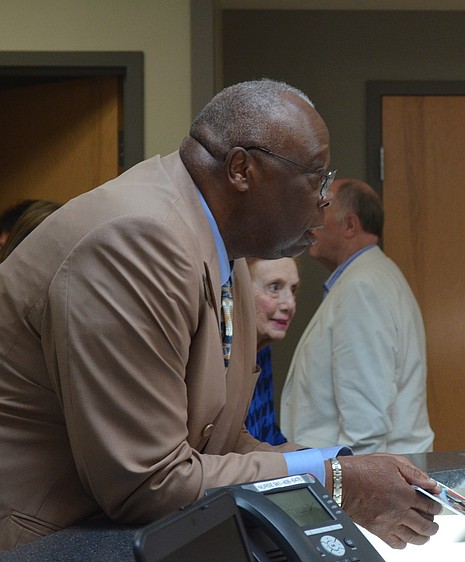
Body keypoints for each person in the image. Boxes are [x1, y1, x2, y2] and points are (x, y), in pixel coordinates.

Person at [0, 79, 441, 552]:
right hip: (44, 542)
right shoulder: (135, 240)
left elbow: (219, 443)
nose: (324, 201)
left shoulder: (219, 249)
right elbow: (150, 483)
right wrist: (338, 483)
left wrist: (339, 469)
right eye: (316, 178)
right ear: (241, 169)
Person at [280, 178, 435, 454]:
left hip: (360, 479)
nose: (313, 220)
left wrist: (358, 491)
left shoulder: (362, 287)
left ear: (350, 225)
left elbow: (365, 424)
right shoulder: (375, 276)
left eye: (323, 208)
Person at [245, 257, 300, 445]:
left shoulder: (261, 350)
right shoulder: (220, 357)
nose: (290, 304)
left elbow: (268, 436)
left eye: (293, 290)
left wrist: (330, 462)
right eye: (274, 288)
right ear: (239, 290)